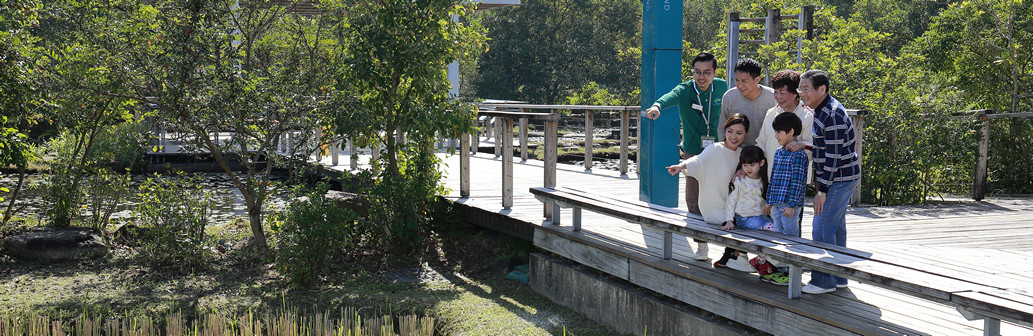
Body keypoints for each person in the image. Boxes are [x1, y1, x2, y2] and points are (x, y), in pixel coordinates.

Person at [645, 52, 728, 260]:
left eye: (706, 73)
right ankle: (701, 244)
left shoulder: (722, 87)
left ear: (714, 72)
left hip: (720, 150)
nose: (702, 77)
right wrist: (657, 106)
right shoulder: (685, 90)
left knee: (726, 196)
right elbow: (669, 96)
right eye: (697, 73)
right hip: (693, 151)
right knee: (693, 198)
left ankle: (733, 250)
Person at [797, 69, 861, 295]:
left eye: (806, 89)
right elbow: (826, 147)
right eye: (800, 88)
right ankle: (839, 277)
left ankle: (823, 281)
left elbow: (833, 157)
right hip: (839, 176)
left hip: (838, 178)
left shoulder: (831, 114)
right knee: (837, 227)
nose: (801, 93)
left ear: (821, 90)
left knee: (822, 226)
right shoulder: (821, 109)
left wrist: (822, 190)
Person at [665, 114, 747, 263]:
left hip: (732, 207)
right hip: (714, 207)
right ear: (724, 131)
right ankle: (733, 257)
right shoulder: (715, 149)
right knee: (742, 223)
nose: (734, 136)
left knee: (753, 219)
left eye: (739, 133)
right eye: (730, 131)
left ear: (745, 134)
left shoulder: (742, 155)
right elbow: (697, 161)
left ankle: (732, 258)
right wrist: (679, 166)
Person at [712, 145, 776, 273]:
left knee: (775, 229)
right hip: (744, 218)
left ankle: (758, 258)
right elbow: (731, 201)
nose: (748, 169)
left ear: (761, 163)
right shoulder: (740, 180)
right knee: (772, 229)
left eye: (752, 165)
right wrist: (729, 220)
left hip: (759, 217)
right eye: (745, 165)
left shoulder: (762, 180)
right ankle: (760, 261)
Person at [755, 69, 813, 183]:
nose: (778, 96)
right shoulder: (771, 113)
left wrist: (801, 145)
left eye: (782, 93)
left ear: (796, 93)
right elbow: (761, 142)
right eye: (776, 92)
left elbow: (813, 147)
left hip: (795, 182)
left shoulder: (808, 116)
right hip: (772, 178)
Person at [764, 112, 810, 238]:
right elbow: (773, 178)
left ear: (790, 131)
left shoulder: (799, 155)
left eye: (779, 132)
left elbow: (798, 183)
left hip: (789, 204)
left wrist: (792, 205)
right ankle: (777, 258)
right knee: (778, 233)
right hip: (777, 202)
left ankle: (791, 256)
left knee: (790, 235)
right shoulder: (779, 152)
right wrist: (769, 201)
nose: (776, 136)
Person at [718, 58, 776, 147]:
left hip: (764, 151)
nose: (740, 85)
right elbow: (722, 126)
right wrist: (726, 150)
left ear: (757, 80)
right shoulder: (729, 97)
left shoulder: (772, 97)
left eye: (744, 81)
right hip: (736, 151)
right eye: (737, 80)